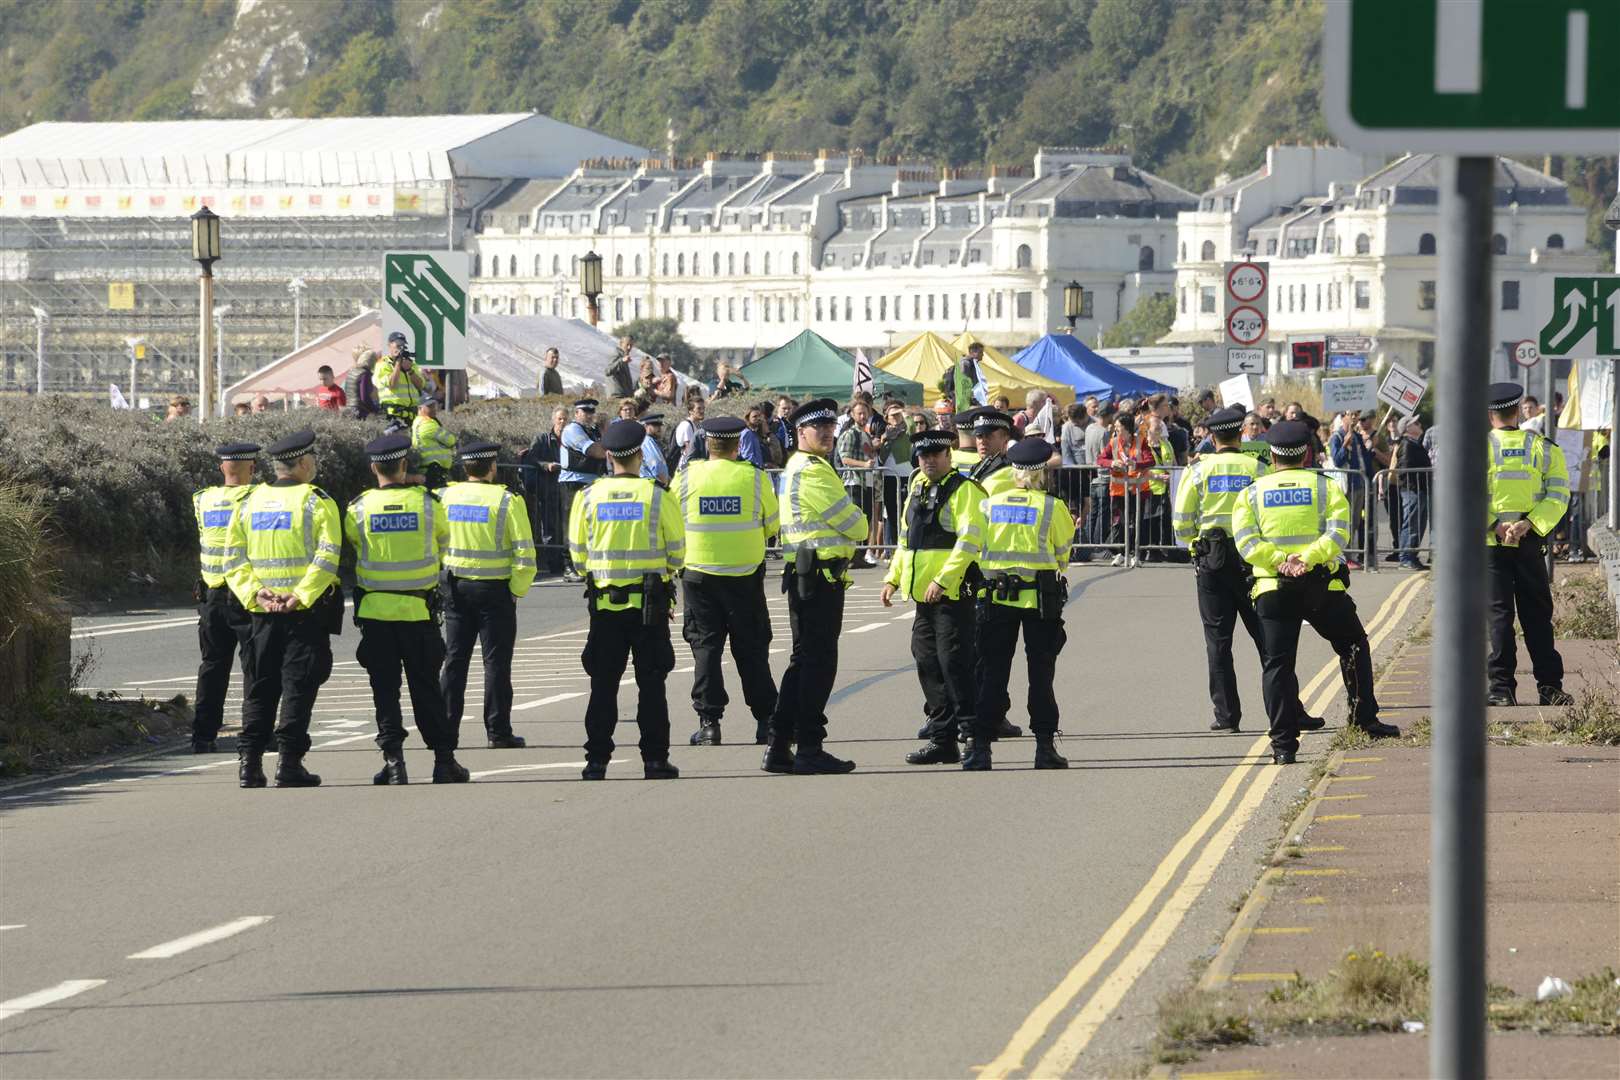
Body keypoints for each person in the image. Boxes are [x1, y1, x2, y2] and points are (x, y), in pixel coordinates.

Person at [1230, 421, 1399, 765]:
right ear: (1307, 452)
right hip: (1321, 586)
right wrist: (1307, 559)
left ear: (1271, 455)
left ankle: (1282, 747)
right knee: (1352, 644)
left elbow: (1246, 543)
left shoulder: (1251, 493)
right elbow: (1339, 533)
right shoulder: (1325, 488)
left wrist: (1280, 561)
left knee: (1277, 665)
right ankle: (1364, 718)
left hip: (1273, 588)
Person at [223, 430, 343, 789]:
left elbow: (233, 558)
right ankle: (289, 763)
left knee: (260, 687)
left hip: (260, 614)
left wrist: (255, 594)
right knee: (298, 686)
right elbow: (328, 555)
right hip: (303, 613)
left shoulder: (249, 501)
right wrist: (300, 595)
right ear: (304, 463)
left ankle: (250, 764)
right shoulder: (317, 501)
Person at [345, 433, 466, 785]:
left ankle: (394, 763)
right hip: (418, 613)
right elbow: (444, 542)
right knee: (426, 689)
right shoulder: (428, 504)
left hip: (376, 616)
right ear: (403, 466)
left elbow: (354, 545)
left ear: (373, 468)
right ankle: (444, 762)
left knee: (385, 691)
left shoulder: (358, 508)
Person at [567, 419, 684, 780]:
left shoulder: (586, 498)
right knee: (651, 686)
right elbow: (677, 554)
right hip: (648, 608)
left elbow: (578, 557)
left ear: (609, 456)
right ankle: (654, 760)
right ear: (638, 454)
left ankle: (596, 761)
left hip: (604, 607)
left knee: (602, 686)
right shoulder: (656, 497)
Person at [764, 398, 869, 775]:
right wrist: (860, 519)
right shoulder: (813, 472)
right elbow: (856, 525)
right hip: (819, 577)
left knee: (803, 662)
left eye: (830, 427)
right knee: (818, 665)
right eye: (817, 428)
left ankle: (780, 744)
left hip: (807, 575)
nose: (827, 433)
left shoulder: (799, 466)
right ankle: (808, 745)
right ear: (799, 432)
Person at [1172, 408, 1287, 734]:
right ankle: (1284, 709)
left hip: (1212, 561)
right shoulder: (1258, 468)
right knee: (1267, 637)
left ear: (1212, 437)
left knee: (1218, 642)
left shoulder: (1198, 471)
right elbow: (1271, 511)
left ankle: (1227, 716)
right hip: (1252, 561)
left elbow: (1181, 520)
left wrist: (1196, 543)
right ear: (1240, 435)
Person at [882, 429, 991, 768]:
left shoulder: (965, 491)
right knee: (928, 663)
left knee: (955, 665)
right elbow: (905, 542)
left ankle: (976, 741)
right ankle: (942, 739)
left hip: (953, 593)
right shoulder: (917, 489)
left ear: (949, 456)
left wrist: (944, 580)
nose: (928, 460)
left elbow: (970, 541)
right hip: (922, 597)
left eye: (935, 455)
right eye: (923, 456)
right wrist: (892, 578)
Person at [676, 416, 781, 747]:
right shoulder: (754, 478)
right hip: (744, 576)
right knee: (751, 649)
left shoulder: (686, 477)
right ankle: (766, 721)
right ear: (738, 445)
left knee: (706, 648)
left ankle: (709, 723)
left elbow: (672, 522)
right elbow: (772, 524)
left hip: (698, 575)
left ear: (708, 444)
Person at [975, 437, 1075, 769]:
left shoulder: (990, 504)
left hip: (997, 598)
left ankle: (980, 750)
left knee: (993, 673)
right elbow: (1063, 555)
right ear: (1041, 472)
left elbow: (976, 549)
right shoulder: (1052, 507)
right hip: (1040, 602)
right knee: (1041, 675)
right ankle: (1044, 748)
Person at [439, 439, 537, 751]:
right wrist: (516, 590)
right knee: (495, 662)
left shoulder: (445, 496)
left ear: (465, 467)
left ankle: (446, 730)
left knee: (455, 660)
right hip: (494, 590)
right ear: (492, 467)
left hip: (455, 587)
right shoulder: (507, 501)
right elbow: (525, 553)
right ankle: (498, 730)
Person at [1483, 382, 1573, 707]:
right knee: (1536, 616)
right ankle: (1550, 687)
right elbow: (1559, 493)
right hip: (1530, 543)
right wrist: (1529, 524)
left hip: (1491, 544)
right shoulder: (1543, 448)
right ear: (1519, 409)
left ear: (1490, 413)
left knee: (1498, 617)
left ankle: (1501, 690)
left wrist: (1496, 525)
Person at [190, 441, 261, 753]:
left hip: (211, 596)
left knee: (213, 666)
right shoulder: (257, 497)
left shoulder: (203, 498)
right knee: (255, 667)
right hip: (245, 594)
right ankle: (255, 734)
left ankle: (203, 736)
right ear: (252, 468)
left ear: (222, 467)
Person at [558, 398, 607, 582]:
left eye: (591, 412)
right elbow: (598, 452)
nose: (589, 415)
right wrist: (605, 444)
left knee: (590, 525)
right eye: (585, 412)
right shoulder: (572, 430)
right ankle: (568, 566)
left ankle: (587, 563)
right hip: (573, 483)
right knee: (571, 525)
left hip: (592, 482)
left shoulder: (593, 430)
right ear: (577, 413)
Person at [1097, 413, 1153, 566]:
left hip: (1138, 489)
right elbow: (1100, 459)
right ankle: (1120, 552)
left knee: (1137, 522)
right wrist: (1112, 463)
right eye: (1115, 427)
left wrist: (1137, 465)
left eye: (1118, 427)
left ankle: (1136, 554)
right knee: (1119, 523)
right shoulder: (1113, 442)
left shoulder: (1141, 441)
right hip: (1119, 490)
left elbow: (1150, 460)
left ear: (1127, 428)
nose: (1115, 430)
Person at [836, 399, 878, 567]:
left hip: (865, 483)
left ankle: (859, 555)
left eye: (865, 413)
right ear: (852, 415)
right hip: (853, 482)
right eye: (859, 413)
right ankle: (852, 556)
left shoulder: (865, 433)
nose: (862, 416)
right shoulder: (850, 433)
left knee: (865, 519)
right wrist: (864, 465)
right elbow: (844, 458)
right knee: (856, 519)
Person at [526, 406, 568, 575]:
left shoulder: (571, 438)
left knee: (566, 528)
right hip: (548, 489)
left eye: (565, 419)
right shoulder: (542, 439)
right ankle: (554, 563)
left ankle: (566, 562)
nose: (563, 422)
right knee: (550, 527)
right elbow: (532, 457)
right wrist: (546, 465)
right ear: (553, 420)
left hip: (565, 489)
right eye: (560, 419)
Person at [1392, 417, 1430, 570]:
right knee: (1411, 524)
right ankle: (1406, 557)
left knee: (1419, 524)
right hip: (1412, 490)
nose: (1419, 424)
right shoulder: (1407, 445)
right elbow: (1405, 470)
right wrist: (1415, 486)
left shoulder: (1415, 444)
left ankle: (1412, 555)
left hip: (1419, 489)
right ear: (1407, 429)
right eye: (1415, 423)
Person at [874, 400, 914, 547]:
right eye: (893, 415)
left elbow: (912, 425)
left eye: (898, 414)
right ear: (887, 417)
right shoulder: (885, 433)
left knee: (905, 511)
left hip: (904, 475)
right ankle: (893, 547)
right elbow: (880, 454)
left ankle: (906, 543)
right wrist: (884, 439)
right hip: (888, 476)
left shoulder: (906, 431)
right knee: (891, 514)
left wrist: (902, 412)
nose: (896, 417)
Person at [374, 331, 427, 424]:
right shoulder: (382, 364)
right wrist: (398, 364)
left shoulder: (410, 363)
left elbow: (420, 385)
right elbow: (392, 384)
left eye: (403, 346)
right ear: (389, 345)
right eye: (398, 345)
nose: (400, 348)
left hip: (411, 413)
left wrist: (410, 370)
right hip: (392, 413)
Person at [411, 397, 457, 489]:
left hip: (428, 469)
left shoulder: (418, 422)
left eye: (434, 406)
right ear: (420, 408)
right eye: (429, 406)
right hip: (433, 470)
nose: (433, 409)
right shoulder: (427, 424)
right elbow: (451, 440)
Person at [346, 348, 380, 420]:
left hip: (349, 408)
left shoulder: (351, 371)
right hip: (359, 411)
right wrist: (375, 410)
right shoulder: (364, 374)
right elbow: (364, 397)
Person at [674, 396, 707, 468]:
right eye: (699, 408)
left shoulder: (698, 426)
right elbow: (689, 450)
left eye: (703, 408)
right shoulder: (686, 426)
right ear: (690, 411)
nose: (702, 411)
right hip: (687, 467)